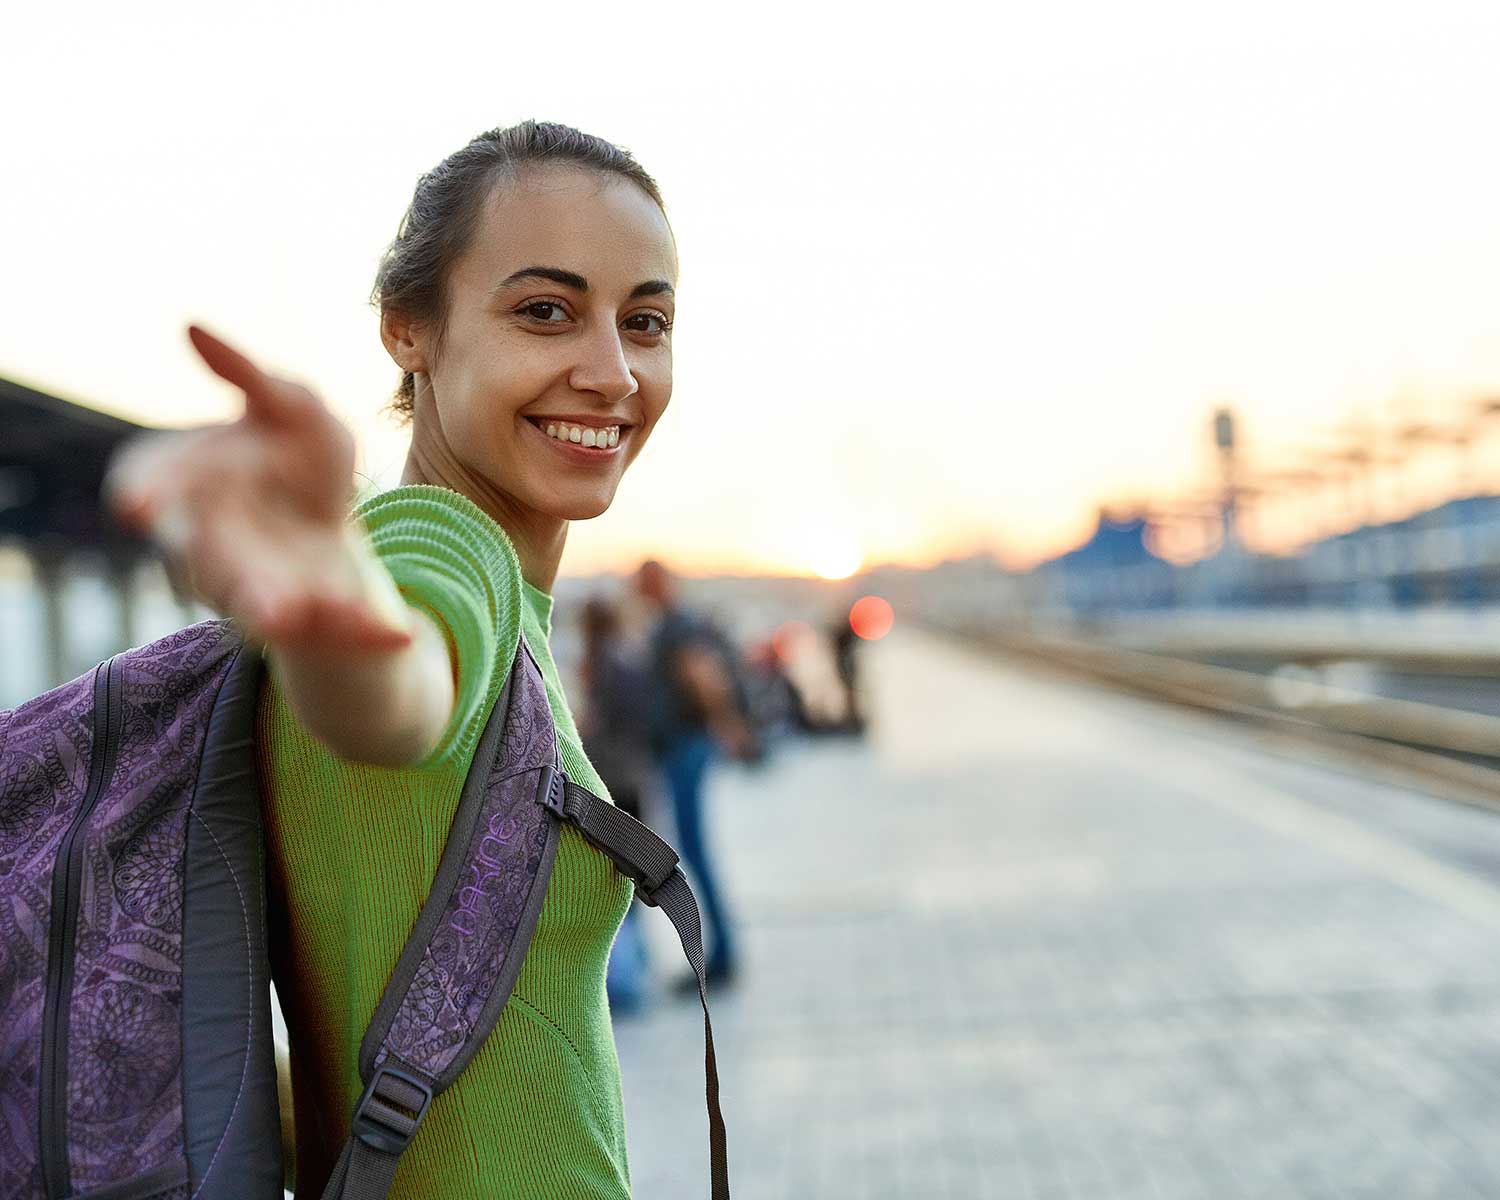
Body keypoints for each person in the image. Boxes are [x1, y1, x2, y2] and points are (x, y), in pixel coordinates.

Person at [106, 121, 678, 1199]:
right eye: (545, 311)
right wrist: (338, 629)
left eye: (644, 322)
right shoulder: (434, 548)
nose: (611, 371)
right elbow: (404, 687)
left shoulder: (476, 585)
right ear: (408, 329)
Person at [633, 560, 757, 990]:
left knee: (696, 853)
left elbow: (704, 677)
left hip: (686, 748)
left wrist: (727, 725)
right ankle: (719, 955)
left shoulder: (677, 626)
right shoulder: (672, 624)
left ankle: (720, 958)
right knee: (694, 851)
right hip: (684, 747)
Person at [576, 595, 658, 1015]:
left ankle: (624, 980)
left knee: (614, 882)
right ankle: (638, 968)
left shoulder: (602, 665)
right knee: (636, 878)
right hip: (636, 775)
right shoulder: (628, 657)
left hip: (611, 781)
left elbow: (594, 725)